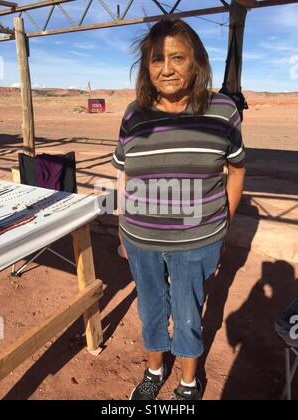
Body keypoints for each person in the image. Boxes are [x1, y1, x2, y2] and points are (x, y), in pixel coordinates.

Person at [111, 19, 246, 400]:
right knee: (151, 309)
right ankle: (155, 370)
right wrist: (123, 230)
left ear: (196, 62)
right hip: (141, 241)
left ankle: (188, 382)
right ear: (146, 67)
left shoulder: (222, 112)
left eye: (177, 57)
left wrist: (224, 224)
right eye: (156, 59)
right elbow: (124, 176)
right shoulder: (132, 114)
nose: (166, 68)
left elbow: (236, 170)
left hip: (196, 242)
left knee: (188, 313)